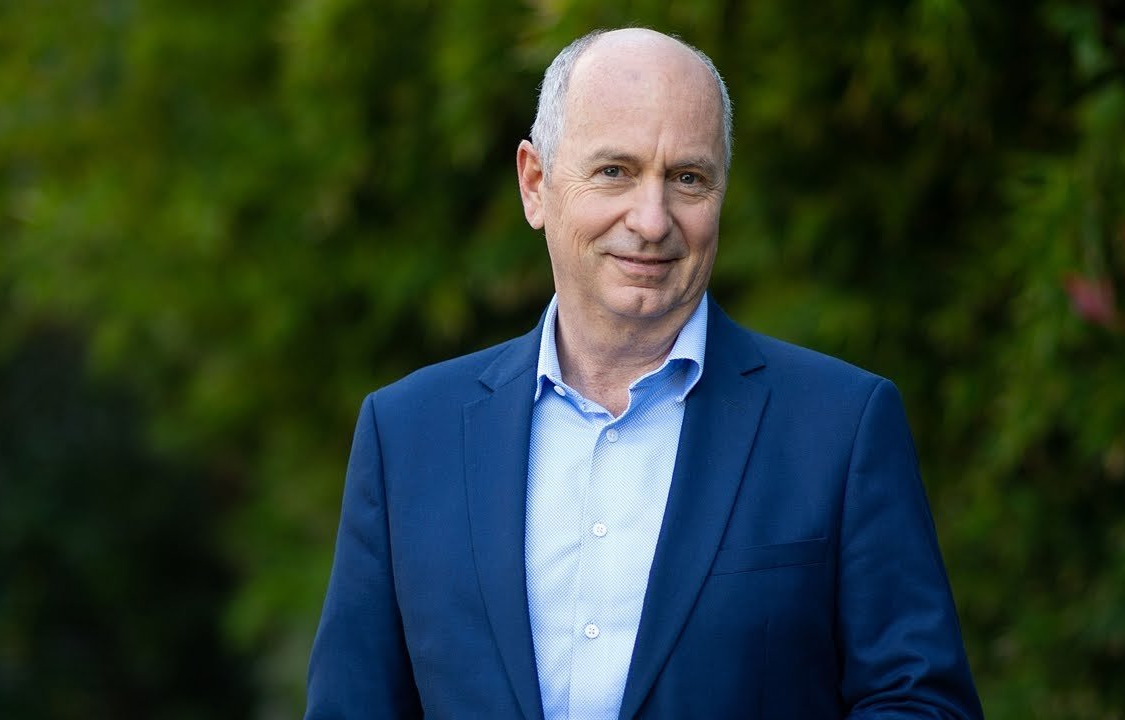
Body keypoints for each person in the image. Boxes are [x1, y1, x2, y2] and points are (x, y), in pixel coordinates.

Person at [305, 27, 983, 720]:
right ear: (535, 184)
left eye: (688, 178)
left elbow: (920, 703)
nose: (653, 220)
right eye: (615, 172)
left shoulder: (840, 425)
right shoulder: (407, 434)